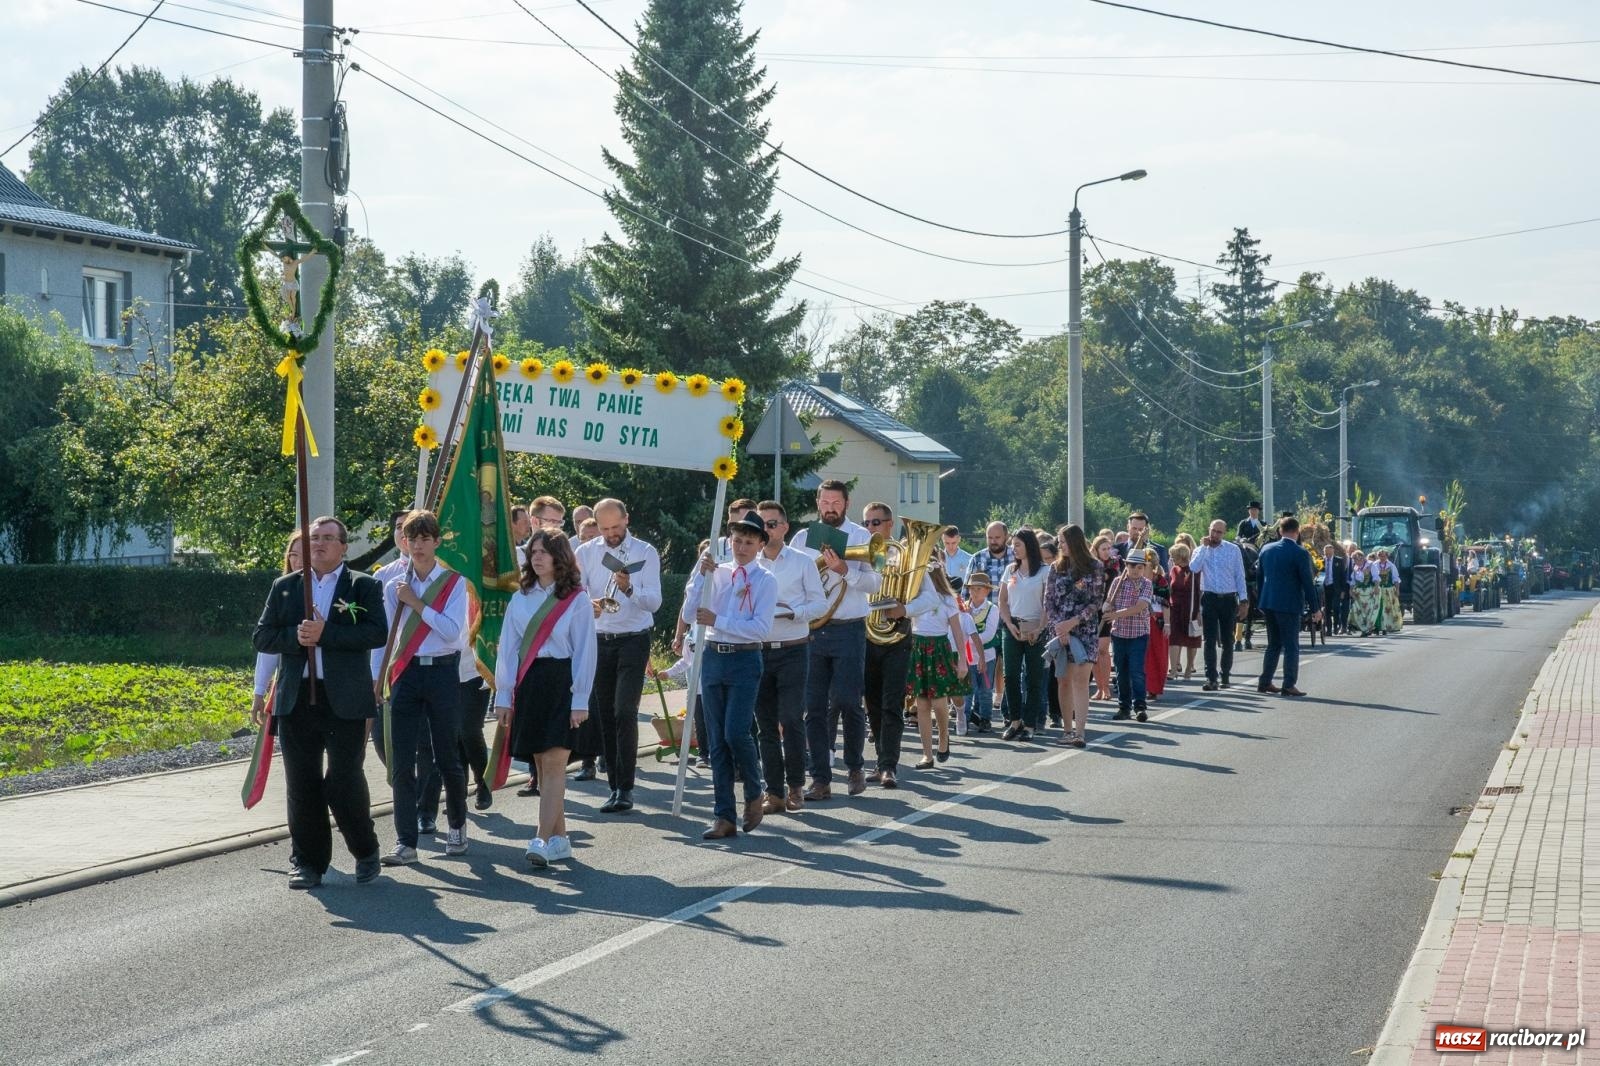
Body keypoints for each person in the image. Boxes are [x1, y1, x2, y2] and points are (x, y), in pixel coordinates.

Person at [251, 516, 386, 890]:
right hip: (297, 698)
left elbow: (376, 633)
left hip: (345, 699)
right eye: (314, 538)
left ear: (344, 546)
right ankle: (308, 861)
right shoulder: (285, 588)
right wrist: (297, 637)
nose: (320, 544)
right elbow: (262, 636)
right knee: (302, 783)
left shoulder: (364, 586)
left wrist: (328, 633)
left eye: (328, 538)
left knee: (344, 780)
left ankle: (365, 849)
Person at [372, 509, 471, 865]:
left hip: (443, 671)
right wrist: (377, 676)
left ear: (436, 542)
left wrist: (415, 603)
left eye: (424, 539)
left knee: (446, 755)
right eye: (411, 539)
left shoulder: (454, 582)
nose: (417, 545)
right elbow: (385, 637)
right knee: (401, 760)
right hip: (405, 672)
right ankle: (405, 840)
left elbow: (451, 632)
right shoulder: (393, 581)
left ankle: (457, 824)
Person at [495, 529, 595, 868]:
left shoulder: (576, 598)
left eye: (544, 552)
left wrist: (581, 699)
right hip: (530, 682)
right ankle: (560, 840)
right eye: (533, 552)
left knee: (554, 765)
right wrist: (504, 694)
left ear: (559, 557)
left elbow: (585, 651)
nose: (537, 557)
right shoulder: (520, 597)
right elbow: (507, 649)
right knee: (541, 765)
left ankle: (539, 837)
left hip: (562, 683)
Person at [684, 510, 778, 840]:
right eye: (737, 540)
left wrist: (718, 620)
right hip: (713, 658)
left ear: (760, 545)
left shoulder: (766, 580)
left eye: (749, 542)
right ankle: (723, 815)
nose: (741, 547)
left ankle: (754, 790)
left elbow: (760, 630)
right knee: (716, 741)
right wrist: (700, 575)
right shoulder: (719, 573)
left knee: (736, 732)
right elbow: (689, 612)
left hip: (744, 660)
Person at [790, 479, 881, 800]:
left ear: (846, 503)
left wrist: (845, 570)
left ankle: (855, 767)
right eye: (825, 502)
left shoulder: (862, 537)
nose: (830, 508)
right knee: (813, 707)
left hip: (849, 629)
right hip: (813, 631)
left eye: (836, 503)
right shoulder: (802, 538)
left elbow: (874, 583)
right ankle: (820, 779)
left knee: (847, 701)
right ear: (818, 503)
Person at [574, 498, 661, 814]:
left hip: (634, 639)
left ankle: (626, 787)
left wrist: (629, 589)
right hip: (599, 639)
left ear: (627, 518)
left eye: (616, 526)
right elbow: (573, 591)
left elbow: (654, 602)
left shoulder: (645, 552)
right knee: (606, 714)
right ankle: (614, 786)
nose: (612, 533)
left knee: (625, 710)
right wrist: (589, 604)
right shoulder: (586, 552)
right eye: (605, 528)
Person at [752, 500, 825, 814]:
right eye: (761, 525)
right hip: (757, 651)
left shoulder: (802, 561)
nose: (766, 530)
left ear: (784, 527)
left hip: (794, 648)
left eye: (771, 524)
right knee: (765, 725)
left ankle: (796, 786)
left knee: (791, 719)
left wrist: (795, 613)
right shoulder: (750, 563)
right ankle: (774, 792)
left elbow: (819, 604)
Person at [861, 501, 936, 788]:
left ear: (890, 525)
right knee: (873, 705)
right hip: (866, 637)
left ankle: (888, 766)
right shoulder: (861, 555)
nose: (870, 528)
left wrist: (904, 609)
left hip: (897, 637)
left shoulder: (906, 556)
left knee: (892, 703)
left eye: (876, 523)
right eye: (867, 523)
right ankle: (880, 761)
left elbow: (932, 598)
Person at [1044, 524, 1105, 748]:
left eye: (1063, 541)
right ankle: (1067, 730)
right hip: (1060, 632)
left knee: (1080, 680)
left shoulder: (1095, 566)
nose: (1060, 545)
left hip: (1084, 630)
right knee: (1063, 680)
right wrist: (1059, 627)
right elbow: (1048, 601)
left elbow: (1096, 601)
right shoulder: (1055, 568)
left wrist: (1074, 621)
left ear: (1075, 541)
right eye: (1059, 541)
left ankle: (1080, 732)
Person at [906, 559, 969, 769]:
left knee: (940, 703)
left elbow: (958, 632)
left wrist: (962, 658)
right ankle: (927, 754)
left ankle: (944, 738)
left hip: (939, 648)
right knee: (922, 703)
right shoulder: (913, 598)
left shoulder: (948, 600)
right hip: (918, 647)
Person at [1256, 516, 1321, 696]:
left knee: (1273, 644)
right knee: (1292, 646)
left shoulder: (1266, 549)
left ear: (1279, 531)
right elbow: (1307, 583)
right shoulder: (1300, 552)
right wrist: (1316, 608)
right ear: (1297, 531)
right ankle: (1288, 684)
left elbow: (1259, 578)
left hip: (1268, 602)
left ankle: (1265, 681)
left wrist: (1261, 600)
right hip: (1289, 604)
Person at [999, 529, 1049, 740]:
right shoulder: (1011, 570)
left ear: (1029, 545)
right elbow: (1002, 601)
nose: (1014, 548)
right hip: (1013, 628)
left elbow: (1048, 603)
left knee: (1034, 678)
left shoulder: (1045, 571)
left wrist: (1039, 628)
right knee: (1010, 676)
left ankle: (1030, 724)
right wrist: (1009, 624)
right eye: (1013, 544)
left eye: (1018, 544)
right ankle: (1015, 720)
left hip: (1035, 628)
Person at [1190, 520, 1249, 691]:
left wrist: (1243, 600)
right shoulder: (1201, 550)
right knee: (1209, 639)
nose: (1215, 535)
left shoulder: (1232, 550)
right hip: (1209, 597)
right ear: (1208, 530)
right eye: (1213, 531)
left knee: (1227, 639)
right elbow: (1194, 568)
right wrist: (1203, 548)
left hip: (1228, 598)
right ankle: (1211, 678)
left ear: (1224, 533)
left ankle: (1225, 675)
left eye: (1219, 532)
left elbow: (1239, 575)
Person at [1104, 548, 1155, 722]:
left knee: (1136, 671)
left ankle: (1140, 706)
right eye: (1132, 565)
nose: (1135, 570)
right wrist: (1106, 607)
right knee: (1121, 672)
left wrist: (1115, 614)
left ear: (1143, 568)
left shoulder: (1146, 584)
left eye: (1139, 566)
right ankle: (1123, 707)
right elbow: (1108, 602)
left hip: (1138, 634)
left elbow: (1140, 606)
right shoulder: (1117, 582)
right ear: (1126, 566)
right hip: (1119, 634)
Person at [962, 572, 1002, 733]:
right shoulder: (963, 608)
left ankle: (985, 719)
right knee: (967, 690)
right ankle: (964, 718)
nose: (974, 592)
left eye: (979, 589)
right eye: (972, 589)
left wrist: (969, 638)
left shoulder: (992, 609)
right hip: (967, 656)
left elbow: (989, 634)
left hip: (987, 655)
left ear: (987, 591)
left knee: (986, 688)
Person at [1166, 542, 1203, 681]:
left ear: (1181, 556)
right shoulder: (1174, 570)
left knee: (1192, 639)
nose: (1171, 559)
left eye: (1173, 556)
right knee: (1174, 639)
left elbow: (1200, 591)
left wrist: (1199, 610)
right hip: (1175, 608)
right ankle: (1174, 670)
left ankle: (1188, 668)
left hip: (1192, 608)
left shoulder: (1195, 570)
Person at [1090, 534, 1120, 700]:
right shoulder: (1091, 566)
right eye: (1104, 549)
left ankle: (1106, 687)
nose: (1107, 552)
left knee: (1102, 649)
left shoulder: (1112, 567)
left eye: (1109, 548)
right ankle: (1099, 687)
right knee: (1093, 652)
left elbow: (1106, 578)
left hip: (1106, 610)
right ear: (1096, 550)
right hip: (1091, 611)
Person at [1144, 555, 1171, 701]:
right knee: (1143, 654)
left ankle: (1154, 688)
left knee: (1157, 654)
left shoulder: (1160, 581)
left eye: (1144, 564)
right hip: (1139, 618)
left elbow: (1166, 604)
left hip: (1156, 620)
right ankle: (1143, 686)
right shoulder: (1133, 580)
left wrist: (1167, 624)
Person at [1372, 548, 1404, 635]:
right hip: (1378, 589)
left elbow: (1396, 579)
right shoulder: (1374, 565)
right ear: (1378, 556)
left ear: (1387, 556)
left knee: (1387, 609)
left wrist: (1397, 589)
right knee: (1377, 608)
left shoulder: (1391, 565)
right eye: (1380, 556)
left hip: (1388, 590)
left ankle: (1385, 626)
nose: (1382, 557)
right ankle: (1377, 626)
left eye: (1384, 556)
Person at [1320, 543, 1349, 636]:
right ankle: (1328, 629)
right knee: (1327, 609)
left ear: (1333, 552)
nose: (1327, 554)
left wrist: (1343, 591)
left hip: (1335, 588)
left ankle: (1336, 626)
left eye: (1329, 552)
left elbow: (1343, 577)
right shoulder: (1321, 561)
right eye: (1326, 553)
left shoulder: (1339, 561)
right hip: (1325, 587)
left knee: (1336, 607)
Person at [941, 525, 972, 590]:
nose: (950, 546)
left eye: (953, 543)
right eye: (947, 543)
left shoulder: (969, 559)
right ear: (942, 539)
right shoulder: (938, 559)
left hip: (962, 596)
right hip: (942, 596)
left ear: (959, 539)